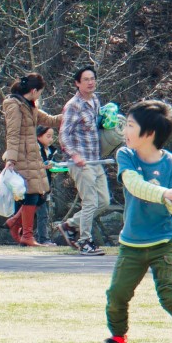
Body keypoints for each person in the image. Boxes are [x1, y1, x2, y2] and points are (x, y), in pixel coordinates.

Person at [94, 99, 172, 343]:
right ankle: (118, 339)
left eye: (130, 125)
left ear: (150, 133)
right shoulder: (126, 156)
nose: (125, 131)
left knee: (169, 293)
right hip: (131, 242)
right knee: (117, 294)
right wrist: (166, 192)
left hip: (164, 241)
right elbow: (134, 185)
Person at [0, 73, 61, 246]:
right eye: (40, 92)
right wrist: (11, 159)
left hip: (32, 156)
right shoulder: (14, 105)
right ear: (34, 91)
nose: (39, 96)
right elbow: (12, 133)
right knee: (32, 195)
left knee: (40, 195)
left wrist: (70, 115)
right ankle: (27, 235)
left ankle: (16, 224)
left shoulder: (29, 106)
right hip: (22, 156)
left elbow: (50, 120)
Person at [56, 67, 111, 255]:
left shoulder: (95, 100)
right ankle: (85, 241)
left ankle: (70, 225)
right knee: (90, 202)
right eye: (86, 79)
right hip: (80, 162)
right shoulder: (73, 105)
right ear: (77, 83)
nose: (90, 82)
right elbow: (63, 135)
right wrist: (74, 155)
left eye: (92, 78)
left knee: (104, 201)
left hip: (96, 160)